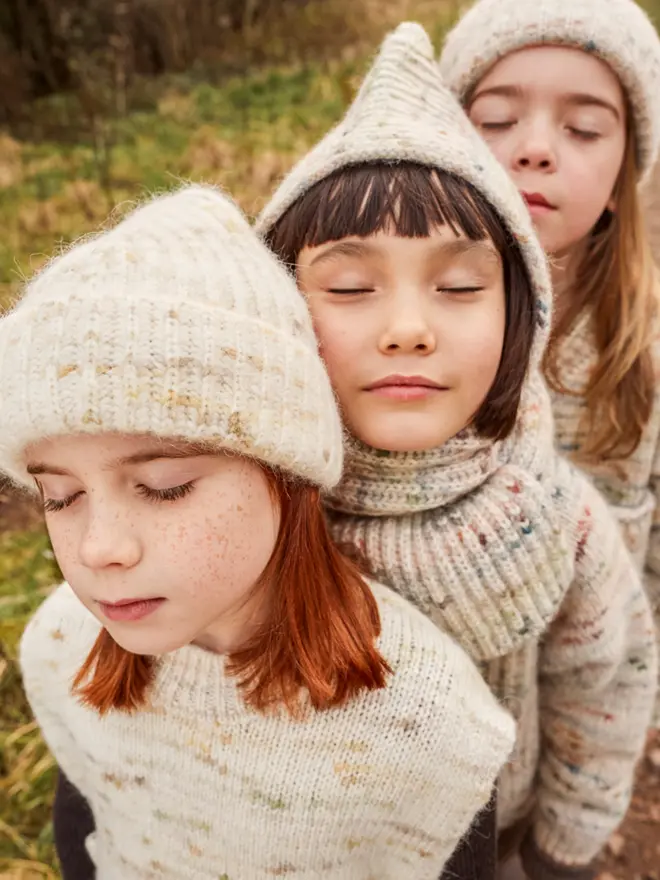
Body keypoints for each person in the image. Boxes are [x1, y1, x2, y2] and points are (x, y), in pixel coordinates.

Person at [2, 185, 515, 879]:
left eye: (164, 486)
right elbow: (86, 822)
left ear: (287, 472)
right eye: (60, 497)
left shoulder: (428, 727)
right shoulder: (62, 647)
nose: (99, 549)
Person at [257, 22, 658, 880]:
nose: (406, 328)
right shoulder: (253, 495)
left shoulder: (562, 516)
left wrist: (562, 847)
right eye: (354, 287)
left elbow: (610, 672)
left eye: (462, 288)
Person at [439, 0, 660, 728]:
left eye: (585, 127)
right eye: (496, 119)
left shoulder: (644, 351)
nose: (534, 148)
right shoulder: (377, 327)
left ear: (627, 165)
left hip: (569, 728)